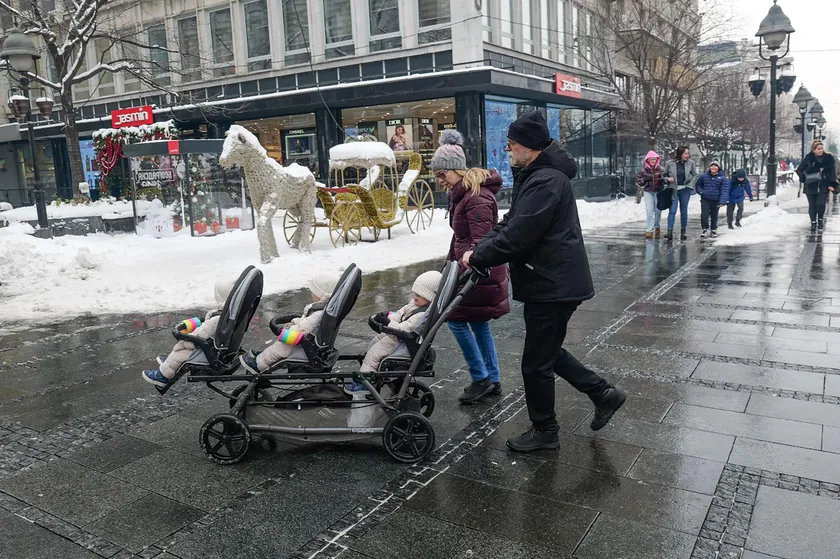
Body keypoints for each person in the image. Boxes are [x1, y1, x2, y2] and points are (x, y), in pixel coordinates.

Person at [462, 110, 627, 453]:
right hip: (550, 280)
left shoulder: (546, 180)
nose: (508, 149)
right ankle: (603, 394)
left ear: (529, 146)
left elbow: (520, 234)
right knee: (547, 351)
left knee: (535, 363)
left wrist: (478, 257)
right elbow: (511, 222)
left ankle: (545, 431)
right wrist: (481, 248)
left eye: (512, 144)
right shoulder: (535, 176)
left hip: (553, 283)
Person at [430, 129, 510, 404]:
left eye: (443, 174)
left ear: (457, 169)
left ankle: (481, 377)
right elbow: (463, 238)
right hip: (475, 269)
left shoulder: (475, 197)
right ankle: (492, 379)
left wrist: (463, 268)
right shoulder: (464, 194)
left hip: (478, 271)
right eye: (437, 175)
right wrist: (451, 264)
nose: (440, 179)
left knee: (455, 320)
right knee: (478, 323)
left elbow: (481, 241)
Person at [352, 271, 442, 392]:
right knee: (375, 342)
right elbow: (399, 314)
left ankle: (364, 383)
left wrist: (387, 323)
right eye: (414, 293)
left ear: (430, 297)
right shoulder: (414, 304)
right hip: (398, 336)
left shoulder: (420, 315)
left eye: (420, 295)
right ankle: (372, 371)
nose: (415, 297)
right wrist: (387, 319)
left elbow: (404, 329)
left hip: (403, 342)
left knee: (375, 353)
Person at [239, 272, 341, 374]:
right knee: (279, 345)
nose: (311, 294)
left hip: (301, 346)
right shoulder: (322, 311)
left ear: (321, 294)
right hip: (307, 341)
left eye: (314, 292)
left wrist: (286, 330)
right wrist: (294, 322)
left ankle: (258, 364)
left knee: (280, 347)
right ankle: (263, 356)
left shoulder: (317, 315)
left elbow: (302, 330)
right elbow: (305, 324)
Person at [142, 278, 235, 387]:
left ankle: (162, 376)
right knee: (178, 352)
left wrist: (182, 342)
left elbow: (198, 335)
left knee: (179, 353)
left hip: (205, 353)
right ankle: (168, 362)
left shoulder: (216, 319)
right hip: (216, 347)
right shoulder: (227, 314)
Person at [796, 140, 838, 232]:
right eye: (818, 149)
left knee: (821, 204)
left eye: (822, 148)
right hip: (811, 185)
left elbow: (832, 172)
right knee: (812, 205)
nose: (821, 150)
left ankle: (820, 220)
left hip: (824, 184)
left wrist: (832, 184)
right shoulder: (809, 158)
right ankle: (813, 223)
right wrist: (804, 177)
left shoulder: (828, 158)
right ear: (814, 149)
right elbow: (799, 170)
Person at [662, 146, 698, 241]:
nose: (687, 155)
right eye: (685, 153)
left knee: (684, 210)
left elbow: (695, 175)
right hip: (673, 189)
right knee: (672, 210)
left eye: (688, 153)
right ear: (680, 154)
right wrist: (668, 179)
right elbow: (664, 175)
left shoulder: (691, 163)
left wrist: (690, 185)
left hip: (685, 189)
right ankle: (669, 232)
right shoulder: (669, 163)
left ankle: (683, 231)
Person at [695, 160, 729, 239]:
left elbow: (724, 190)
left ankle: (713, 229)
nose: (713, 167)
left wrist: (722, 201)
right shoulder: (704, 176)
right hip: (705, 199)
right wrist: (701, 192)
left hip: (716, 200)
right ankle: (705, 229)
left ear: (718, 168)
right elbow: (698, 185)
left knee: (714, 215)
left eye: (715, 166)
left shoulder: (722, 178)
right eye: (712, 166)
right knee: (704, 215)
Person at [635, 150, 664, 239]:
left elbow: (665, 180)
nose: (652, 161)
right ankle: (650, 229)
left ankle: (657, 226)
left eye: (654, 159)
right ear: (647, 160)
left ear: (657, 160)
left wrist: (663, 181)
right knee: (649, 211)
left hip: (658, 192)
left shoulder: (661, 170)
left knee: (658, 211)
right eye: (651, 159)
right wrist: (645, 179)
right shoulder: (643, 170)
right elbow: (638, 182)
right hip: (648, 191)